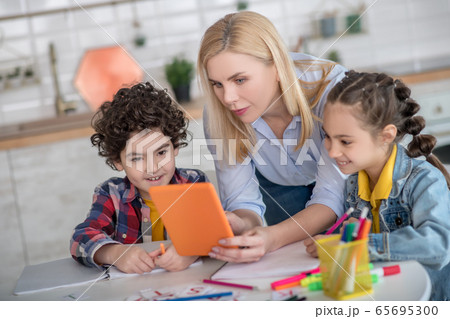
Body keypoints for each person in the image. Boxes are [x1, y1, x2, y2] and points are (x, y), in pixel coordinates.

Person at [197, 11, 347, 263]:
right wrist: (241, 224)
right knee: (294, 262)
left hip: (343, 185)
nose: (228, 98)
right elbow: (242, 200)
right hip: (279, 185)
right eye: (217, 84)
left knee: (341, 261)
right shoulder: (218, 112)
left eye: (240, 79)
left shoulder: (332, 90)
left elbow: (332, 196)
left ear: (277, 67)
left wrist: (272, 237)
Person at [304, 70, 450, 300]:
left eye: (345, 141)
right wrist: (341, 239)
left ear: (386, 136)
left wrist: (360, 245)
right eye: (328, 136)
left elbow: (438, 246)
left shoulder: (424, 181)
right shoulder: (353, 183)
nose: (331, 151)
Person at [70, 82, 208, 273]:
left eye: (160, 153)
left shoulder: (193, 182)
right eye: (136, 158)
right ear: (117, 161)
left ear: (175, 146)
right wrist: (116, 253)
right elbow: (80, 239)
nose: (152, 168)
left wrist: (191, 251)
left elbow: (215, 232)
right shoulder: (110, 193)